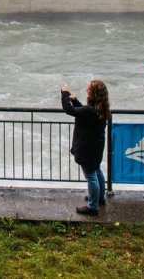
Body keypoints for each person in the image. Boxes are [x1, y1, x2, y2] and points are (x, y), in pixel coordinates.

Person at [61, 79, 111, 216]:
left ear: (93, 93)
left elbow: (69, 110)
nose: (86, 90)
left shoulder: (90, 110)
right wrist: (75, 100)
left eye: (88, 89)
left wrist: (64, 94)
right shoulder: (101, 109)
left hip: (87, 148)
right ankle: (100, 198)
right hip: (96, 147)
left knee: (91, 177)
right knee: (97, 171)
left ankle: (92, 206)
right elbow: (82, 111)